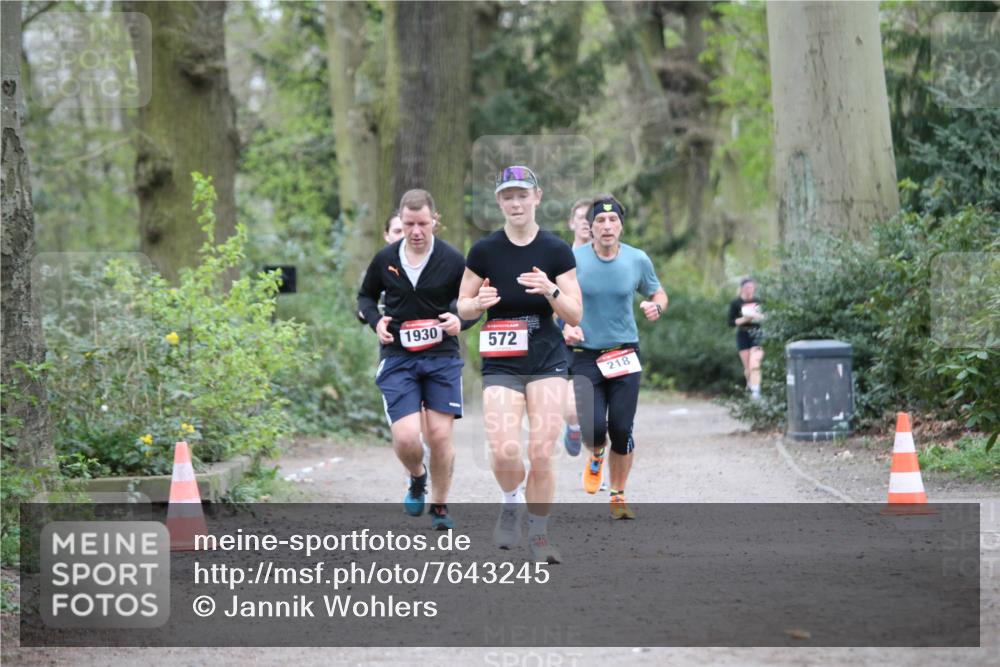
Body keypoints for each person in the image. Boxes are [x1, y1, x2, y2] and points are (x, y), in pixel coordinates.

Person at [458, 165, 582, 563]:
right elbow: (461, 305)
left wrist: (550, 289)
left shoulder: (556, 250)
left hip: (546, 358)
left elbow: (575, 313)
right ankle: (511, 502)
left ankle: (541, 534)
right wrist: (475, 305)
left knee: (542, 453)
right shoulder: (484, 251)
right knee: (504, 450)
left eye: (522, 195)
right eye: (508, 196)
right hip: (501, 362)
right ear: (499, 202)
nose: (515, 202)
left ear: (537, 197)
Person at [357, 190, 472, 530]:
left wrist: (460, 321)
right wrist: (376, 321)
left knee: (438, 436)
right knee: (407, 438)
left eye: (423, 223)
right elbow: (365, 296)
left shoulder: (453, 260)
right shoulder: (385, 258)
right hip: (398, 357)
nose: (416, 231)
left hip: (441, 357)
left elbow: (471, 301)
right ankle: (417, 476)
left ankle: (439, 506)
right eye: (409, 224)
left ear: (434, 220)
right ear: (401, 222)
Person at [564, 195, 667, 519]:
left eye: (612, 221)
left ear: (621, 225)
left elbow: (657, 292)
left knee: (622, 428)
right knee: (593, 427)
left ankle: (618, 494)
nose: (607, 226)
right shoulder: (573, 260)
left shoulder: (637, 260)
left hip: (624, 353)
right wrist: (565, 325)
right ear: (590, 227)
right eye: (600, 221)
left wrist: (657, 306)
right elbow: (558, 301)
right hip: (585, 354)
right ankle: (596, 453)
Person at [559, 199, 592, 457]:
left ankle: (597, 463)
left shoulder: (606, 259)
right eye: (580, 217)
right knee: (571, 408)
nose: (585, 222)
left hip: (601, 342)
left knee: (601, 411)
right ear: (572, 222)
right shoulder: (558, 257)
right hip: (566, 341)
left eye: (590, 217)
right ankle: (573, 426)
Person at [728, 278, 764, 400]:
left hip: (757, 334)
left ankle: (756, 392)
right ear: (742, 288)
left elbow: (764, 317)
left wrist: (757, 316)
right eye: (747, 287)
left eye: (751, 287)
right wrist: (745, 319)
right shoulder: (735, 303)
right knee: (748, 367)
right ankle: (750, 384)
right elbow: (731, 322)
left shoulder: (758, 301)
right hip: (743, 334)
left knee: (755, 363)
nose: (750, 289)